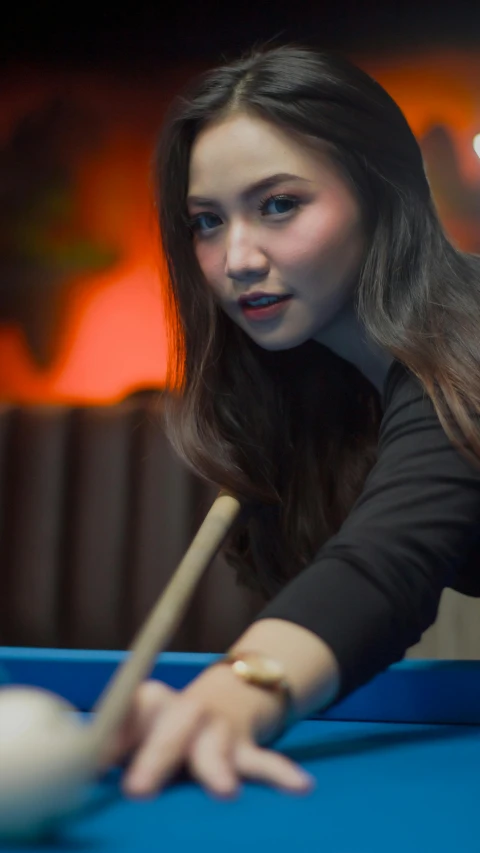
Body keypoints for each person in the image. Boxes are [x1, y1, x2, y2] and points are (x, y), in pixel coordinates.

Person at [107, 43, 480, 799]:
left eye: (280, 204)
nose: (236, 257)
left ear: (379, 196)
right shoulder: (324, 389)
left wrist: (236, 690)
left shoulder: (470, 332)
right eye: (207, 221)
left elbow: (385, 567)